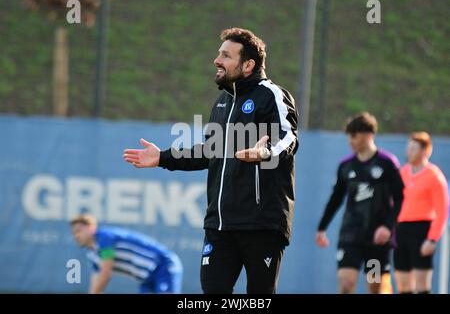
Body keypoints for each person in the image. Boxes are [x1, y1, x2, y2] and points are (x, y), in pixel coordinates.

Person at [123, 27, 298, 294]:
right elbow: (210, 150)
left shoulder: (271, 95)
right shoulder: (221, 103)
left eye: (226, 56)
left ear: (248, 64)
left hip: (261, 223)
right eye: (219, 54)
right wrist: (162, 158)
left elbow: (289, 138)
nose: (217, 60)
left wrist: (266, 152)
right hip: (219, 225)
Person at [315, 112, 404, 294]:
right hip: (350, 236)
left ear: (368, 135)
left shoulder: (387, 163)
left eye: (354, 135)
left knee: (375, 287)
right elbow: (335, 198)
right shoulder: (346, 166)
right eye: (348, 136)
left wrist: (388, 227)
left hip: (377, 239)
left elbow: (400, 198)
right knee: (346, 285)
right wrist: (322, 227)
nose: (350, 141)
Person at [70, 214, 183, 294]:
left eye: (79, 230)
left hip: (163, 265)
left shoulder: (104, 238)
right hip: (147, 278)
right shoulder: (92, 254)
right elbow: (96, 283)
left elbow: (105, 273)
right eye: (74, 233)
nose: (76, 236)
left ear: (91, 228)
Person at [394, 132, 449, 294]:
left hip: (421, 231)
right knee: (403, 284)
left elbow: (442, 210)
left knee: (421, 284)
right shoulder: (402, 173)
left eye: (414, 149)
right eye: (408, 148)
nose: (409, 152)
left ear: (426, 151)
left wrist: (432, 239)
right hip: (401, 230)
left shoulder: (434, 176)